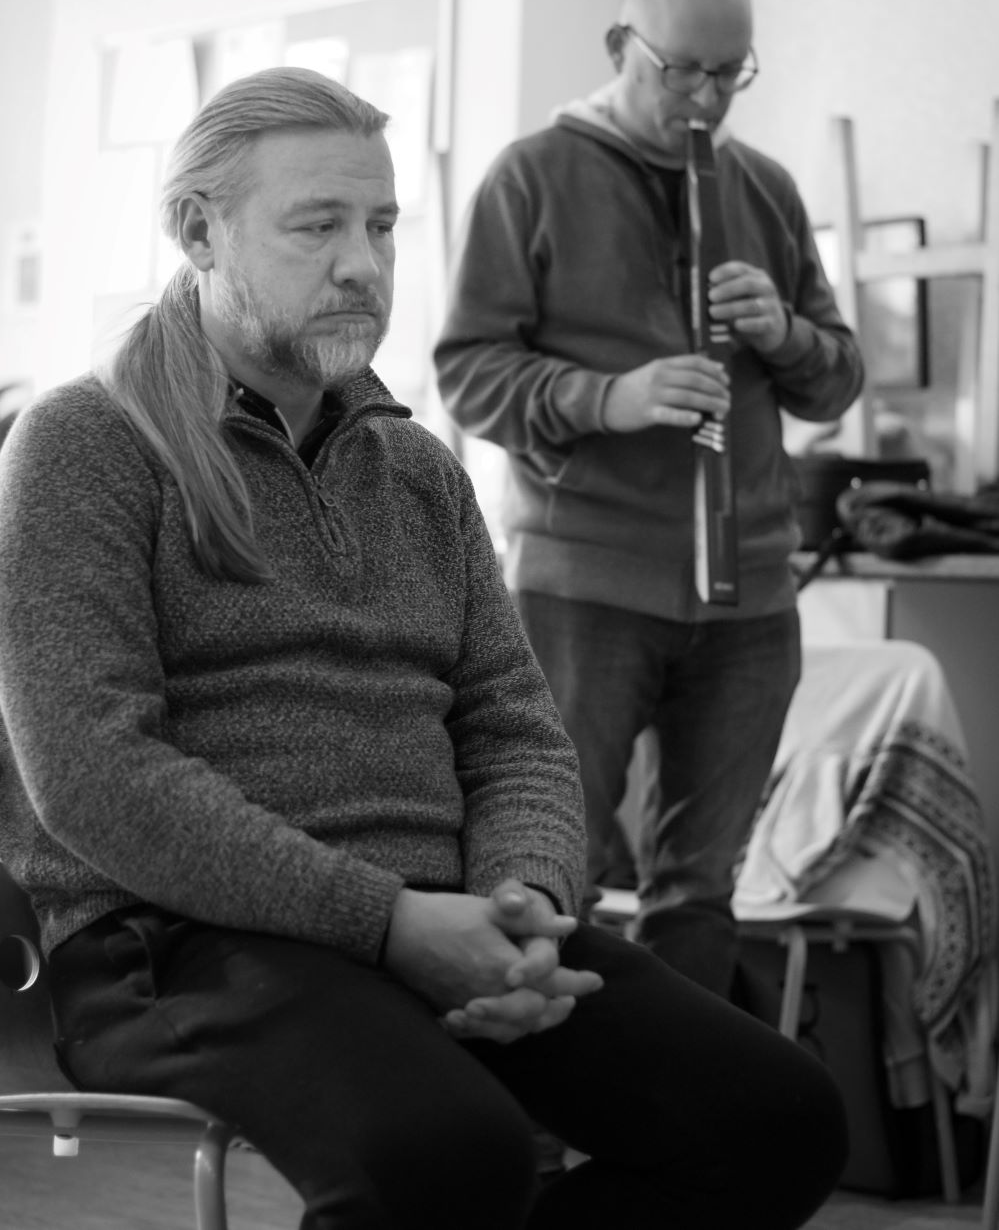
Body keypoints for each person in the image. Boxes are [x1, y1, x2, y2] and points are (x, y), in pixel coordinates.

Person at [0, 67, 847, 1230]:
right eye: (318, 226)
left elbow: (514, 731)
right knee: (451, 1157)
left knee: (779, 1124)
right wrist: (391, 924)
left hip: (443, 916)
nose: (364, 263)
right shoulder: (81, 446)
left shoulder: (418, 471)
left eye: (383, 225)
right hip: (176, 935)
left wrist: (522, 903)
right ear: (198, 232)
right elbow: (93, 777)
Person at [434, 0, 865, 999]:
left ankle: (681, 1101)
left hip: (751, 597)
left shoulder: (765, 188)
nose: (707, 99)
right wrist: (607, 399)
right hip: (585, 589)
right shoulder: (531, 176)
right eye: (682, 72)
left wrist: (786, 337)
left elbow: (836, 382)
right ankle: (539, 1103)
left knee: (703, 890)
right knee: (548, 873)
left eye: (730, 74)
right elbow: (468, 374)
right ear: (619, 46)